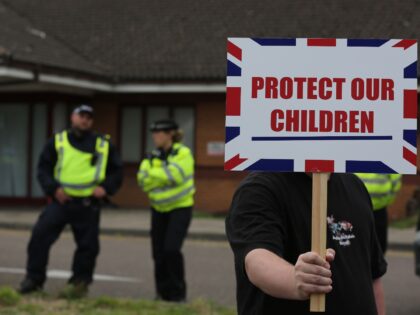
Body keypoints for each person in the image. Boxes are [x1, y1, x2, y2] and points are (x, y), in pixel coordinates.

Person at [226, 172, 387, 315]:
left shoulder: (354, 184)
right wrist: (296, 279)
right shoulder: (258, 189)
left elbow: (372, 275)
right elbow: (256, 260)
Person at [19, 105, 123, 296]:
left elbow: (117, 171)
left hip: (88, 204)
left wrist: (106, 188)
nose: (85, 120)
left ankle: (79, 284)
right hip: (61, 202)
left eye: (89, 118)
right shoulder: (57, 142)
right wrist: (54, 189)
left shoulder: (103, 144)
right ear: (72, 118)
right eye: (81, 116)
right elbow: (43, 169)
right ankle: (33, 280)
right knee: (39, 237)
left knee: (88, 247)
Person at [137, 119, 195, 302]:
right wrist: (164, 174)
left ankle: (178, 295)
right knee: (158, 253)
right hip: (158, 209)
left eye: (159, 132)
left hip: (180, 208)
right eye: (153, 133)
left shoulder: (183, 153)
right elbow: (141, 179)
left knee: (171, 250)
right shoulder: (151, 155)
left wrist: (156, 174)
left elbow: (176, 175)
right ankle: (162, 294)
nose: (155, 136)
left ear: (170, 134)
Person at [355, 173, 402, 254]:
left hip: (375, 209)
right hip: (369, 208)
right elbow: (395, 181)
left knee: (377, 245)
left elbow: (395, 178)